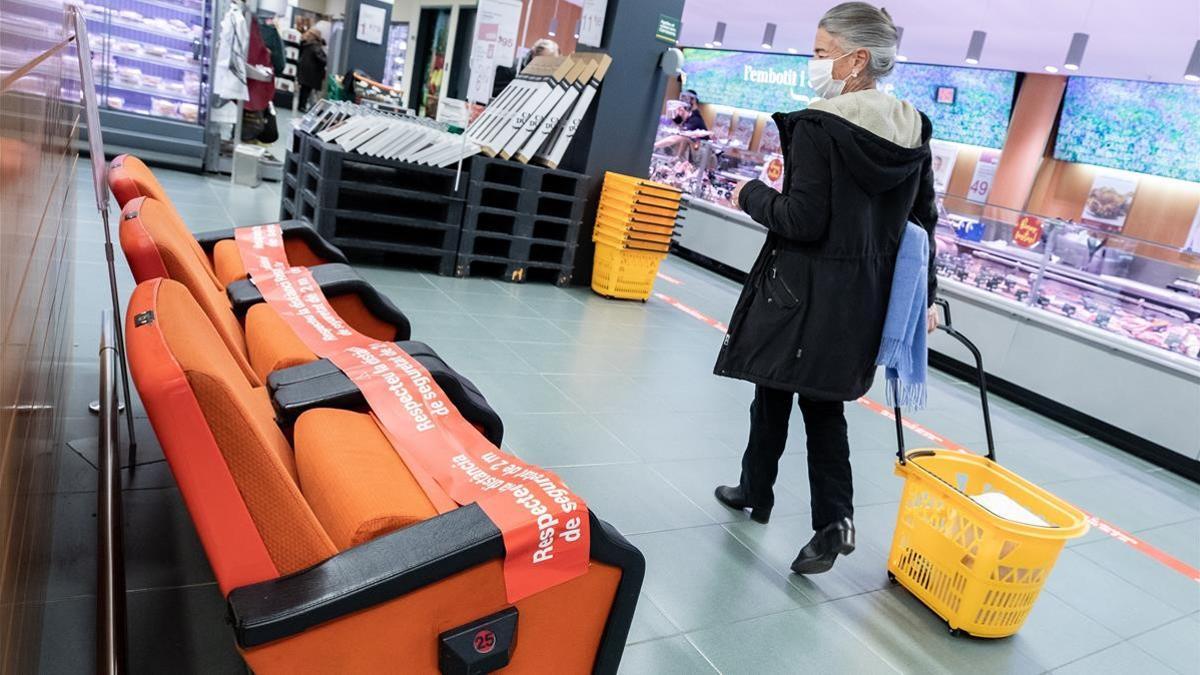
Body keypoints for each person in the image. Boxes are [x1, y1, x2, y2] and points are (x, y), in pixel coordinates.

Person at [712, 2, 939, 575]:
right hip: (863, 298)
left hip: (801, 291)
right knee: (817, 405)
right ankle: (818, 515)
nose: (812, 63)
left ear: (855, 59)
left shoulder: (819, 124)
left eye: (820, 52)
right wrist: (931, 295)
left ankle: (759, 493)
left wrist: (749, 195)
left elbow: (803, 220)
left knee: (773, 388)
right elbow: (923, 222)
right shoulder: (912, 128)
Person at [492, 38, 560, 99]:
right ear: (534, 56)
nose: (549, 67)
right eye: (546, 62)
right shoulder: (510, 68)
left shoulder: (549, 75)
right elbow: (496, 95)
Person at [297, 26, 328, 112]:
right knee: (309, 91)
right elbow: (322, 59)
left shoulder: (305, 44)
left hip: (304, 70)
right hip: (312, 72)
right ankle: (310, 108)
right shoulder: (316, 46)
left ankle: (301, 106)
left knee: (304, 90)